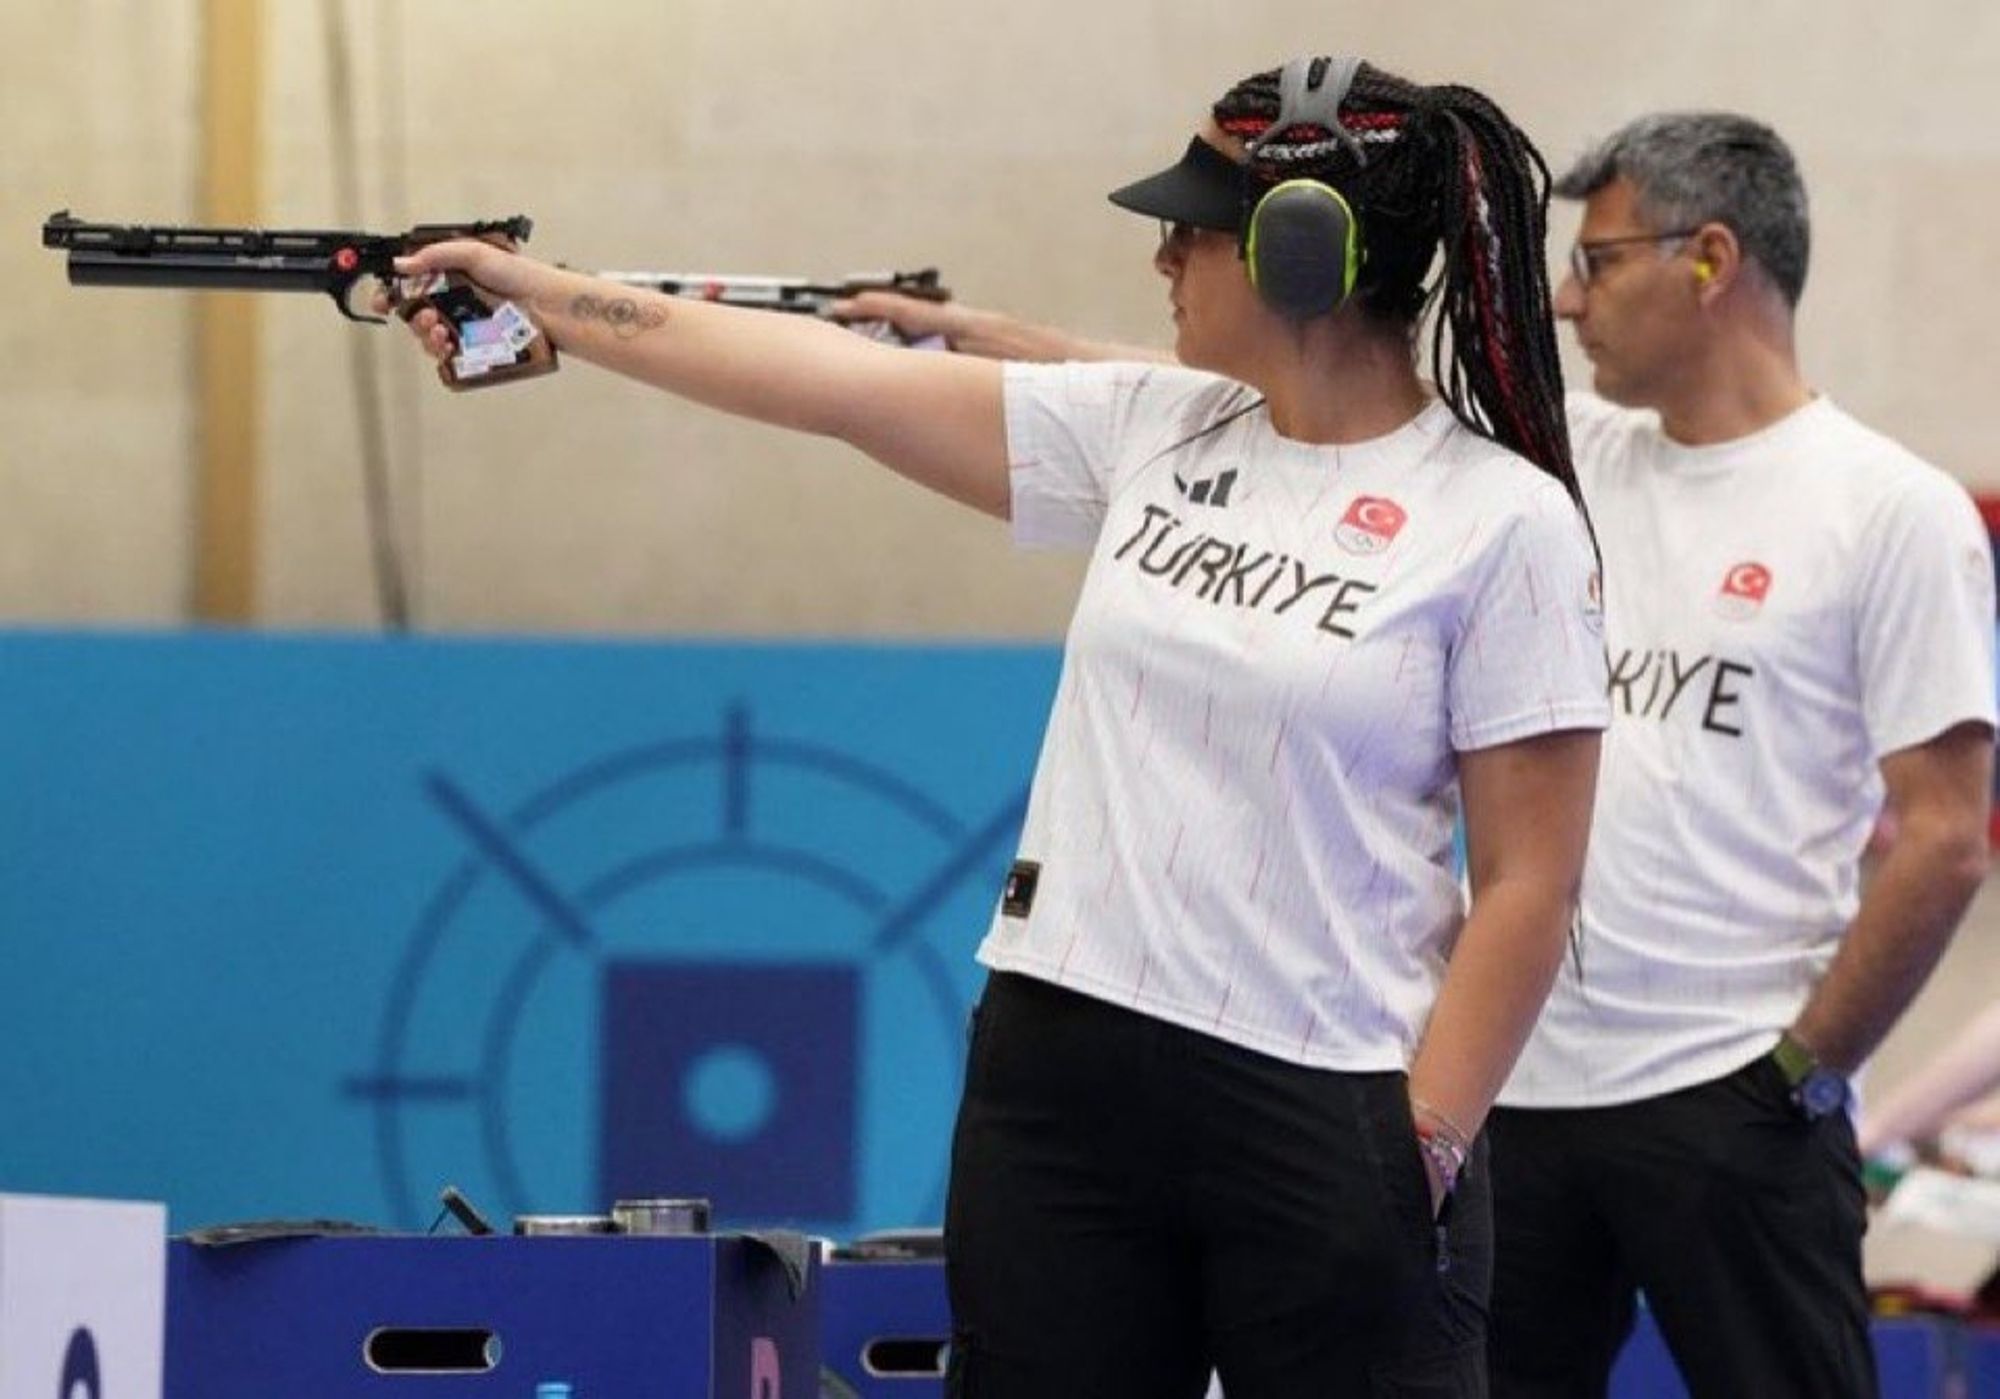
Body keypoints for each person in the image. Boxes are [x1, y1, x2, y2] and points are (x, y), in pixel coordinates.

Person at [392, 56, 1607, 1397]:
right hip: (1065, 1068)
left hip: (1326, 1100)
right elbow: (825, 382)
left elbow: (1530, 889)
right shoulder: (1154, 429)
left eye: (1188, 228)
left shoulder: (1504, 523)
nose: (1159, 258)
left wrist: (1423, 1143)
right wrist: (543, 292)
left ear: (1299, 251)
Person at [841, 110, 2000, 1399]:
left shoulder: (1890, 512)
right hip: (1522, 1085)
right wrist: (971, 340)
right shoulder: (1548, 465)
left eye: (1602, 260)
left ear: (1713, 260)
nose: (1563, 298)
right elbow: (1222, 397)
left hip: (1728, 1088)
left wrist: (1801, 1070)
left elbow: (1947, 835)